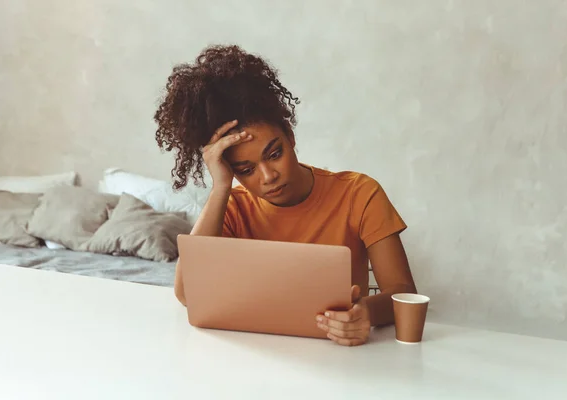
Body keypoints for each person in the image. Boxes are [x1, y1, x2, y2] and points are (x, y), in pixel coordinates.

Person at [154, 44, 417, 346]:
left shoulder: (359, 193)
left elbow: (404, 291)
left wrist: (365, 313)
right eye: (246, 169)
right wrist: (220, 187)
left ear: (290, 137)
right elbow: (188, 295)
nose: (269, 177)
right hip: (259, 354)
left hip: (337, 355)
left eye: (275, 153)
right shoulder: (233, 207)